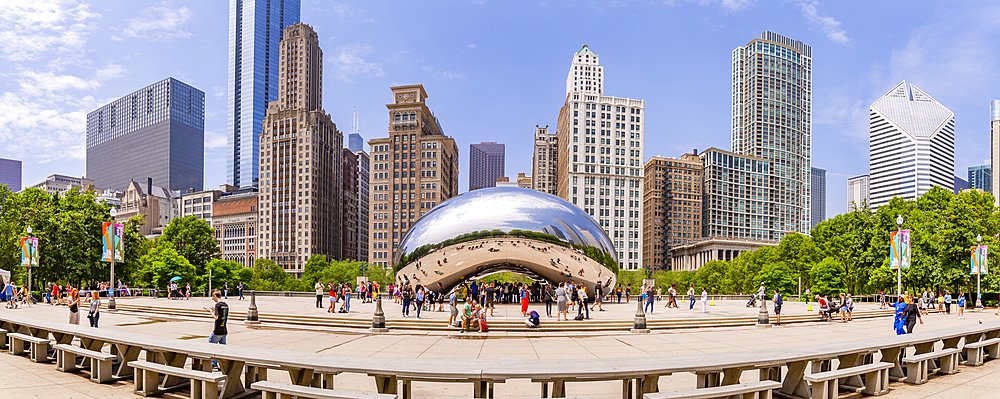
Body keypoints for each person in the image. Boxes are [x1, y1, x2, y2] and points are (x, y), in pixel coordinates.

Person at [206, 290, 229, 370]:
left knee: (211, 345)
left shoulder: (217, 305)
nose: (213, 299)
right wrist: (214, 309)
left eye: (213, 297)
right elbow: (222, 313)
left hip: (218, 330)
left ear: (215, 296)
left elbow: (216, 317)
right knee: (223, 348)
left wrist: (210, 312)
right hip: (224, 330)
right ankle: (225, 364)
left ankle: (213, 363)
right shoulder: (225, 305)